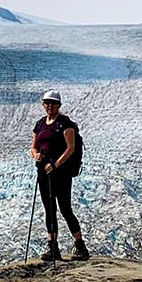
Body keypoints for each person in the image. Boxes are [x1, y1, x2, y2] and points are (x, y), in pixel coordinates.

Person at [31, 90, 89, 262]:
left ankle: (80, 245)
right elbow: (33, 147)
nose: (50, 106)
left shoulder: (65, 124)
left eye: (53, 103)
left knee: (65, 208)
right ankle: (53, 247)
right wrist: (36, 155)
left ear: (59, 105)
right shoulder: (40, 124)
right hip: (43, 171)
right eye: (47, 103)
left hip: (61, 173)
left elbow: (70, 148)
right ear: (43, 104)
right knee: (49, 209)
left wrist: (56, 165)